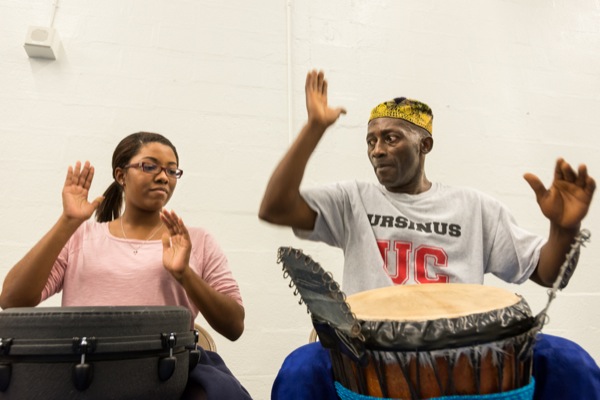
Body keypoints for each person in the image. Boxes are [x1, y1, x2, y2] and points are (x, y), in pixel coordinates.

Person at [259, 70, 599, 399]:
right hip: (368, 346)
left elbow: (549, 272)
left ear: (425, 144)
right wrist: (314, 128)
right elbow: (274, 208)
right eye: (371, 141)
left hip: (465, 346)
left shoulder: (473, 206)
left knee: (572, 362)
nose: (377, 150)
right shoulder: (352, 200)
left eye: (391, 138)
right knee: (299, 370)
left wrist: (564, 228)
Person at [0, 132, 251, 400]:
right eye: (149, 165)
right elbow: (12, 299)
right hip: (83, 376)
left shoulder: (196, 241)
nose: (163, 177)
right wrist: (67, 222)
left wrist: (185, 274)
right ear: (121, 175)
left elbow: (234, 326)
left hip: (167, 376)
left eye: (171, 170)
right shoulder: (80, 237)